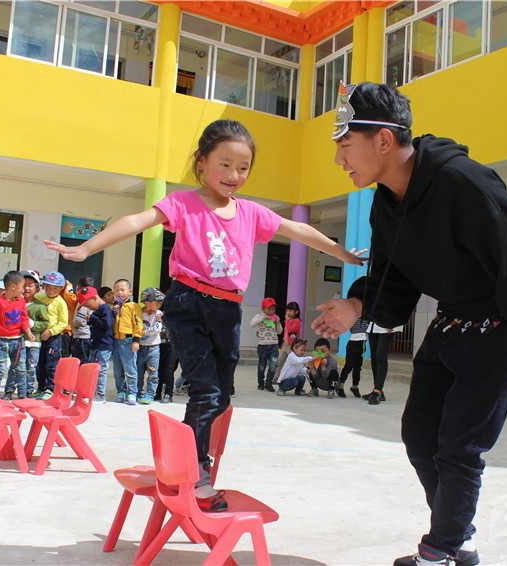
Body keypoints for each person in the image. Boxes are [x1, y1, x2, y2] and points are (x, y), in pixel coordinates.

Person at [311, 82, 507, 566]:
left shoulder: (461, 181)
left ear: (383, 140)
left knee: (459, 448)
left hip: (499, 329)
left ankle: (440, 552)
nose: (339, 160)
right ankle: (459, 539)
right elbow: (393, 276)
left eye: (345, 145)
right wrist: (356, 305)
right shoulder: (386, 202)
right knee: (419, 436)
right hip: (449, 324)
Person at [46, 119, 363, 512]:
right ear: (201, 161)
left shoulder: (250, 213)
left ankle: (185, 460)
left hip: (227, 309)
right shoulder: (184, 203)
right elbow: (137, 221)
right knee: (207, 392)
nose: (234, 175)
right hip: (188, 303)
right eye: (224, 164)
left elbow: (298, 229)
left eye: (243, 167)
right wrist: (86, 248)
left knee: (221, 396)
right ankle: (195, 472)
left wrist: (341, 253)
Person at [0, 270, 33, 399]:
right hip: (1, 342)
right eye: (22, 286)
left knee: (21, 369)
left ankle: (22, 396)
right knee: (0, 369)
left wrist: (28, 332)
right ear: (13, 286)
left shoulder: (21, 302)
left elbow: (24, 319)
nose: (23, 290)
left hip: (18, 341)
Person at [5, 270, 49, 400]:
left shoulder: (39, 306)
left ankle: (28, 391)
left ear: (37, 289)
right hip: (17, 341)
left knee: (31, 367)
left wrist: (32, 324)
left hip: (33, 343)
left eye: (30, 285)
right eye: (24, 285)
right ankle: (9, 390)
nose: (26, 288)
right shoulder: (14, 303)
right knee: (15, 366)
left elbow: (45, 323)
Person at [34, 271, 69, 400]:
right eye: (48, 287)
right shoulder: (39, 298)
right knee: (39, 363)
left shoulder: (60, 302)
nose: (50, 290)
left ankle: (50, 388)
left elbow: (63, 322)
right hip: (39, 336)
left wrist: (51, 331)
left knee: (50, 364)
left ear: (61, 289)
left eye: (55, 288)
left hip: (53, 338)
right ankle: (41, 387)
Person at [80, 285, 114, 403]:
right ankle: (91, 392)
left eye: (88, 305)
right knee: (92, 369)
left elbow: (106, 324)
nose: (88, 308)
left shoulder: (105, 309)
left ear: (94, 298)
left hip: (104, 346)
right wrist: (90, 321)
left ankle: (100, 394)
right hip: (95, 344)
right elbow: (98, 324)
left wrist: (92, 318)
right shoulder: (96, 310)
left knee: (101, 370)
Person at [111, 278, 143, 404]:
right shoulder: (115, 307)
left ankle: (132, 393)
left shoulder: (133, 306)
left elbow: (138, 323)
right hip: (116, 340)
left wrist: (136, 340)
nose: (119, 292)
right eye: (117, 290)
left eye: (122, 290)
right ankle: (121, 391)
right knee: (117, 370)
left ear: (129, 291)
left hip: (128, 341)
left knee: (130, 369)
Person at [363, 322, 403, 405]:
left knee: (381, 356)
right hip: (373, 324)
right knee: (374, 357)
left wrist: (391, 322)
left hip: (387, 324)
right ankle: (377, 389)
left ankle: (377, 391)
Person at [137, 287, 165, 404]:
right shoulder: (139, 313)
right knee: (138, 372)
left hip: (153, 348)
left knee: (153, 373)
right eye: (157, 303)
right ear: (147, 303)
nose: (159, 306)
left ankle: (150, 395)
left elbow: (158, 328)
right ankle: (138, 393)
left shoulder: (158, 314)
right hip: (140, 347)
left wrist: (144, 332)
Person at [250, 297, 282, 392]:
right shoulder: (259, 316)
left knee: (273, 365)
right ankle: (260, 382)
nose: (271, 311)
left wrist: (278, 323)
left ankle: (268, 383)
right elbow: (252, 324)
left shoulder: (275, 318)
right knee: (262, 365)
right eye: (269, 309)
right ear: (263, 309)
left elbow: (279, 332)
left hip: (274, 345)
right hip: (262, 346)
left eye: (273, 309)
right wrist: (263, 318)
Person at [339, 316, 369, 398]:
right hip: (353, 343)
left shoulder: (367, 317)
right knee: (348, 366)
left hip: (362, 343)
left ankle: (355, 387)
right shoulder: (352, 316)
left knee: (358, 367)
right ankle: (340, 385)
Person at [272, 301, 302, 382]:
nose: (288, 312)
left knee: (293, 363)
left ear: (296, 312)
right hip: (285, 345)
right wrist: (282, 344)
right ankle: (276, 377)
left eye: (290, 311)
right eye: (287, 310)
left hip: (292, 346)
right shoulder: (287, 321)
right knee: (279, 362)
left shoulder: (297, 321)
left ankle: (295, 378)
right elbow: (285, 334)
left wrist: (287, 321)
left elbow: (291, 330)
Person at [71, 276, 96, 363]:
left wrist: (69, 325)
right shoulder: (91, 300)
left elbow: (79, 319)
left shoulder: (83, 301)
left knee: (81, 361)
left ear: (77, 288)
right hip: (84, 337)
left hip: (82, 337)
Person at [155, 324, 177, 404]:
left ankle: (168, 394)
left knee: (169, 371)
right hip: (158, 345)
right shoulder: (158, 317)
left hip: (172, 346)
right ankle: (157, 393)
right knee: (159, 370)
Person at [60, 280, 77, 357]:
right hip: (55, 332)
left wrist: (66, 282)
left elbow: (68, 294)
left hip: (66, 332)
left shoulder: (71, 300)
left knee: (65, 357)